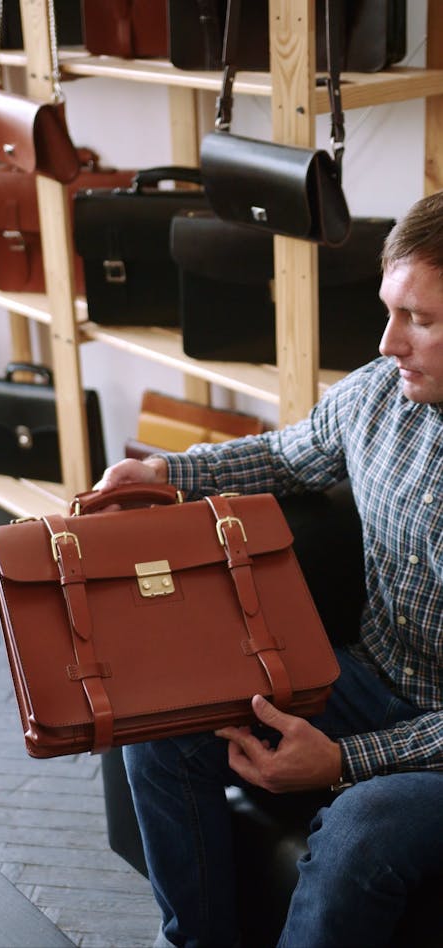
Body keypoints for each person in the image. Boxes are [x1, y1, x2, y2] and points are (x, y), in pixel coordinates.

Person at [94, 192, 443, 947]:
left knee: (362, 832)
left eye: (420, 320)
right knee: (161, 722)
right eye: (389, 311)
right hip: (369, 677)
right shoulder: (382, 392)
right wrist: (163, 471)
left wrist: (346, 762)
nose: (388, 343)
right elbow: (288, 453)